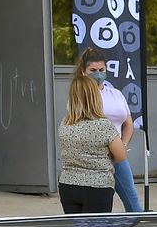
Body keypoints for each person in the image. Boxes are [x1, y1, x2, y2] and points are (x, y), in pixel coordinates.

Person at [73, 48, 144, 212]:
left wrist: (122, 146)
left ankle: (137, 226)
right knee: (99, 205)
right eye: (93, 70)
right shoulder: (79, 97)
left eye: (101, 70)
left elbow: (128, 124)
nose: (98, 74)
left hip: (117, 157)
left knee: (132, 202)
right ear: (83, 71)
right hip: (94, 161)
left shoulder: (116, 94)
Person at [59, 76, 127, 214]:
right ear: (95, 97)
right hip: (98, 186)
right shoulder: (103, 125)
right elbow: (121, 156)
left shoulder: (65, 123)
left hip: (68, 184)